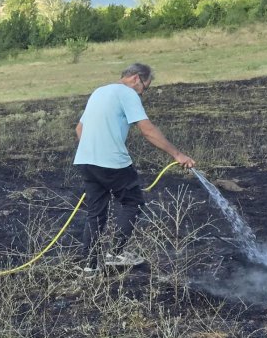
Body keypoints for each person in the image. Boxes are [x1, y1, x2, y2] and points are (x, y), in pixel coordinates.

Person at [74, 63, 195, 271]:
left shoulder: (99, 91)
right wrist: (178, 155)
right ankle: (117, 253)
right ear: (137, 78)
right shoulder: (127, 93)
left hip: (86, 161)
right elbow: (147, 130)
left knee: (96, 212)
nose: (142, 93)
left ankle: (89, 266)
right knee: (134, 202)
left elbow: (79, 129)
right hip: (111, 162)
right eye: (145, 88)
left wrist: (93, 150)